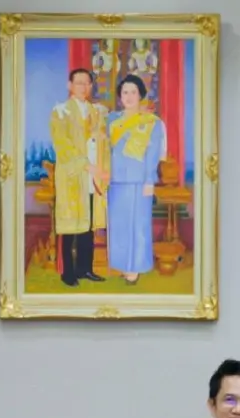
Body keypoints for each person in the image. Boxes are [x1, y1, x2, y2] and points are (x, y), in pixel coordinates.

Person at [49, 68, 108, 287]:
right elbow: (62, 144)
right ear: (70, 85)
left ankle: (85, 268)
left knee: (89, 225)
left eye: (87, 83)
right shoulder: (60, 111)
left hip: (93, 178)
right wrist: (85, 165)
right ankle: (68, 272)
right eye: (79, 82)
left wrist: (100, 168)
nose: (83, 87)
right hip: (73, 175)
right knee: (69, 226)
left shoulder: (97, 111)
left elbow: (103, 140)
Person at [106, 74, 165, 286]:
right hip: (115, 180)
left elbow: (153, 154)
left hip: (139, 180)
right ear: (120, 96)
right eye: (125, 92)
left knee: (137, 225)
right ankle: (122, 264)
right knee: (119, 224)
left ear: (140, 94)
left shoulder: (151, 123)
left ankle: (136, 267)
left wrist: (150, 180)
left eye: (133, 92)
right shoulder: (112, 120)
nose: (129, 96)